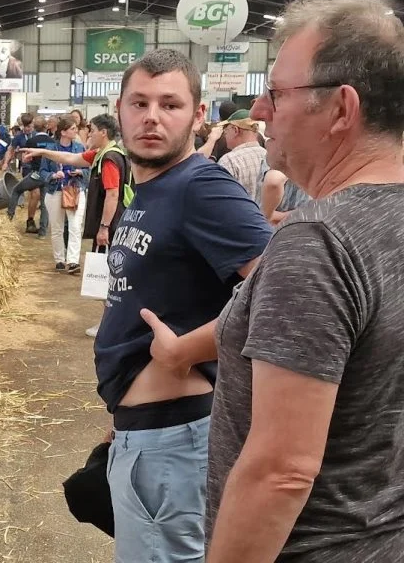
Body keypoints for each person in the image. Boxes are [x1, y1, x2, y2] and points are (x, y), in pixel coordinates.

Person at [177, 0, 404, 562]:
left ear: (341, 109)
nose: (258, 110)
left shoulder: (320, 241)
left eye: (277, 93)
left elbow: (281, 471)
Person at [95, 48, 272, 562]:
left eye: (170, 104)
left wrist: (187, 351)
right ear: (121, 110)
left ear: (198, 116)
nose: (152, 116)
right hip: (148, 430)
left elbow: (287, 291)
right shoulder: (150, 188)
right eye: (140, 102)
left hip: (178, 436)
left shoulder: (202, 186)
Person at [24, 114, 130, 335]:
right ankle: (110, 324)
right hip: (112, 225)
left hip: (111, 227)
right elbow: (69, 158)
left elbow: (112, 194)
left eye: (92, 130)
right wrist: (42, 152)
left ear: (104, 133)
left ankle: (110, 326)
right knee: (108, 276)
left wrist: (103, 227)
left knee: (108, 276)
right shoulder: (102, 154)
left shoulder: (109, 159)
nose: (88, 133)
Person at [37, 116, 87, 272]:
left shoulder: (80, 148)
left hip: (75, 189)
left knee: (75, 226)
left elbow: (89, 168)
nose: (76, 131)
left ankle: (73, 261)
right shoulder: (51, 149)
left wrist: (80, 171)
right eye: (73, 129)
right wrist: (53, 175)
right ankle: (59, 259)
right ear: (63, 132)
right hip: (55, 191)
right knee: (57, 227)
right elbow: (42, 172)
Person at [5, 115, 55, 236]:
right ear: (46, 127)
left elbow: (26, 159)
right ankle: (42, 232)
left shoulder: (31, 141)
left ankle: (9, 217)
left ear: (34, 128)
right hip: (48, 175)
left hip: (36, 174)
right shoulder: (52, 142)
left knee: (17, 190)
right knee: (44, 204)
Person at [216, 109, 267, 197]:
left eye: (226, 130)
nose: (225, 134)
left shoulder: (229, 161)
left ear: (236, 130)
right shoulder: (268, 156)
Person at [255, 158, 310, 227]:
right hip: (300, 226)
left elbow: (274, 181)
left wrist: (267, 215)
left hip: (276, 228)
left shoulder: (280, 154)